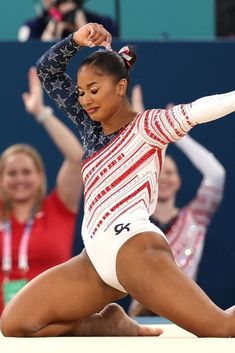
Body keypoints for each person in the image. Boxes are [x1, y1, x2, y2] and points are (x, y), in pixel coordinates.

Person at [2, 23, 235, 338]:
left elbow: (198, 111)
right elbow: (48, 71)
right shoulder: (90, 127)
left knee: (222, 328)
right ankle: (106, 323)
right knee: (15, 324)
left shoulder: (150, 126)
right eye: (82, 92)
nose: (84, 100)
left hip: (134, 250)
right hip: (94, 262)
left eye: (94, 90)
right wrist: (75, 40)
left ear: (121, 87)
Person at [128, 85, 226, 316]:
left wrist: (179, 136)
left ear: (180, 181)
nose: (164, 178)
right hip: (139, 315)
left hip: (185, 313)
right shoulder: (133, 217)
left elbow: (216, 174)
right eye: (159, 171)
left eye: (170, 173)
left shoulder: (196, 216)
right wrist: (141, 134)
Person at [0, 66, 84, 313]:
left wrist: (41, 113)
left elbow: (77, 158)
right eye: (12, 173)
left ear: (39, 176)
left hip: (50, 321)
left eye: (26, 172)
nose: (19, 179)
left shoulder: (58, 208)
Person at [18, 0, 118, 42]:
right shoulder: (33, 28)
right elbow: (28, 60)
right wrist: (51, 33)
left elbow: (113, 61)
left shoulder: (103, 24)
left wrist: (86, 30)